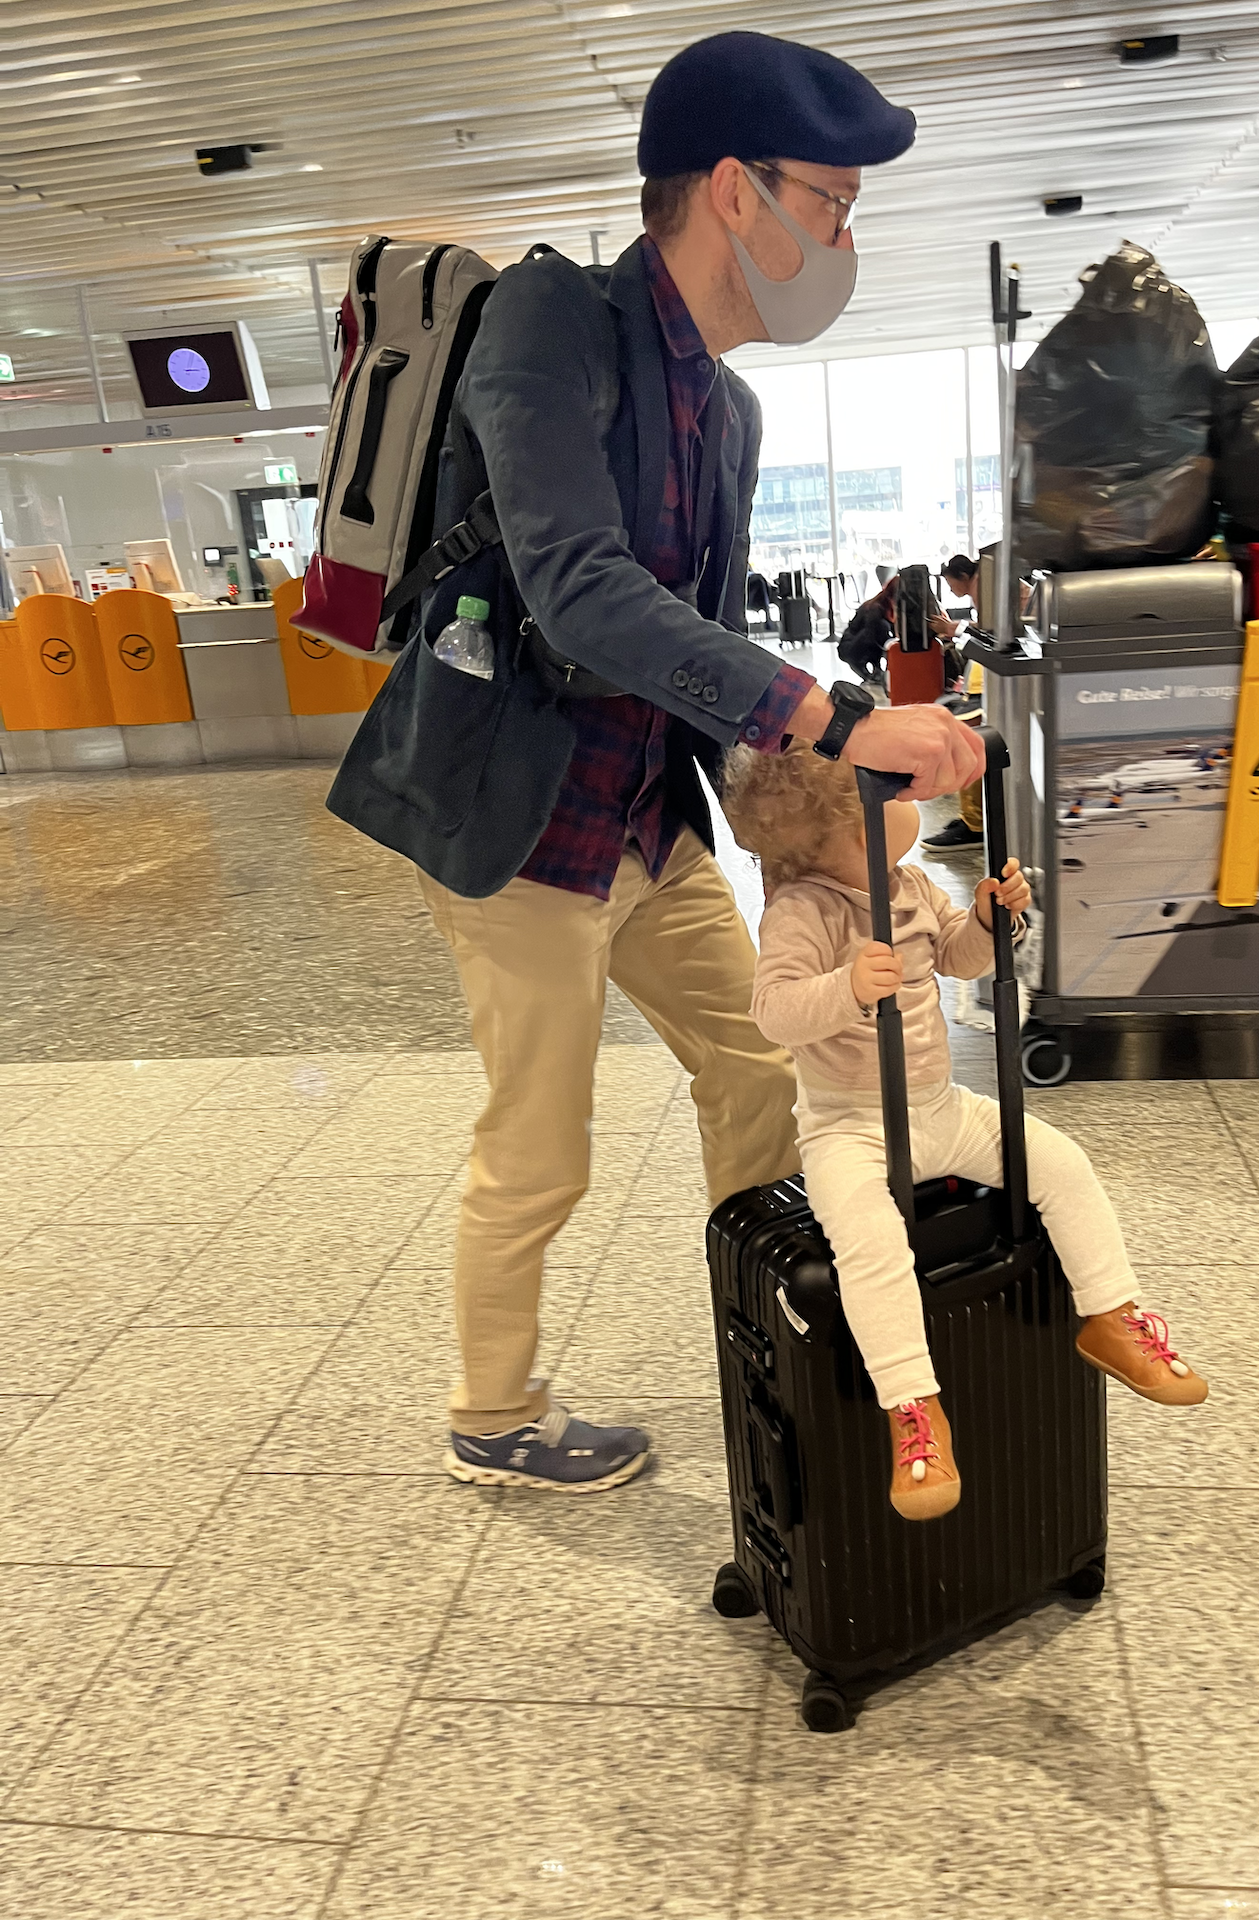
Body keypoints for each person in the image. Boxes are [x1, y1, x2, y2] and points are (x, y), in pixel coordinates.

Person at [326, 31, 987, 1493]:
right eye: (832, 203)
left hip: (645, 820)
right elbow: (576, 587)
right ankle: (493, 1415)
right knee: (542, 1142)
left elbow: (704, 635)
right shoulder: (551, 322)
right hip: (519, 825)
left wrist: (823, 787)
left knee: (757, 1064)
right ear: (736, 192)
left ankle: (776, 1330)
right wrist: (836, 720)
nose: (844, 241)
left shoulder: (732, 411)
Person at [723, 742, 1209, 1522]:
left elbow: (959, 958)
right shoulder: (802, 912)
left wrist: (988, 919)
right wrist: (846, 987)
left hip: (941, 1108)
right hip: (848, 1128)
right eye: (893, 799)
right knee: (871, 1244)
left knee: (1061, 1164)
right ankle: (912, 1407)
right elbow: (773, 1013)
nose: (913, 804)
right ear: (841, 832)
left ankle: (1111, 1315)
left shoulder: (911, 885)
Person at [922, 554, 986, 851]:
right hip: (982, 682)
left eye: (950, 584)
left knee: (967, 744)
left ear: (962, 576)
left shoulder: (985, 588)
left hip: (986, 685)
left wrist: (954, 629)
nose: (950, 590)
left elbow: (991, 633)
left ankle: (975, 824)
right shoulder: (984, 586)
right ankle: (973, 818)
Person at [836, 575, 897, 685]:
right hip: (851, 648)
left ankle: (873, 673)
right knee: (882, 627)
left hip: (856, 644)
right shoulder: (876, 608)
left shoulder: (884, 604)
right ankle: (873, 672)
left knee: (882, 629)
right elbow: (871, 636)